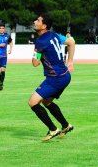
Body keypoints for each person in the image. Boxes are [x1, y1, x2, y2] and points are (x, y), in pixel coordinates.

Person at [29, 13, 75, 141]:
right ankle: (65, 125)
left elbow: (35, 63)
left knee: (33, 102)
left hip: (55, 79)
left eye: (37, 20)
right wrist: (70, 61)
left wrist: (35, 52)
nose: (34, 21)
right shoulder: (55, 35)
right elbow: (71, 43)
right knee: (47, 102)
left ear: (44, 26)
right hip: (66, 76)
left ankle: (53, 129)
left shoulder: (40, 42)